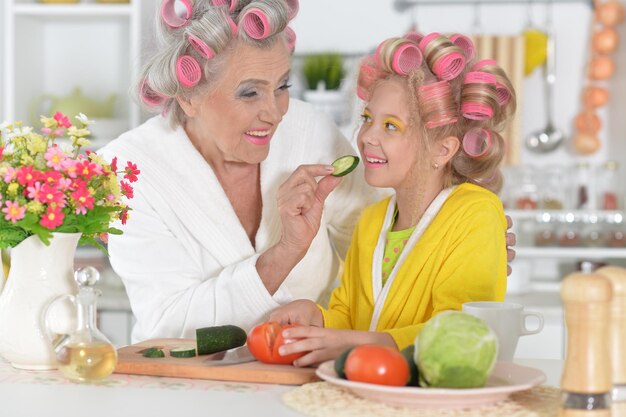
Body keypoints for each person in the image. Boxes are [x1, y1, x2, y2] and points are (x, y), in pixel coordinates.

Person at [100, 0, 516, 343]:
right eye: (249, 92)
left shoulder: (309, 131)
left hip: (311, 377)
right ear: (189, 95)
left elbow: (386, 249)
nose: (274, 112)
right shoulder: (132, 170)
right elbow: (168, 326)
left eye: (282, 86)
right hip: (188, 389)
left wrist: (460, 240)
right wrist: (284, 253)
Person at [270, 33, 516, 367]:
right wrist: (317, 317)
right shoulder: (372, 221)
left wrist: (351, 343)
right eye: (368, 119)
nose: (367, 136)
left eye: (390, 126)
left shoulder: (476, 214)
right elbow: (350, 315)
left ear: (442, 150)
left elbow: (461, 330)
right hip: (371, 391)